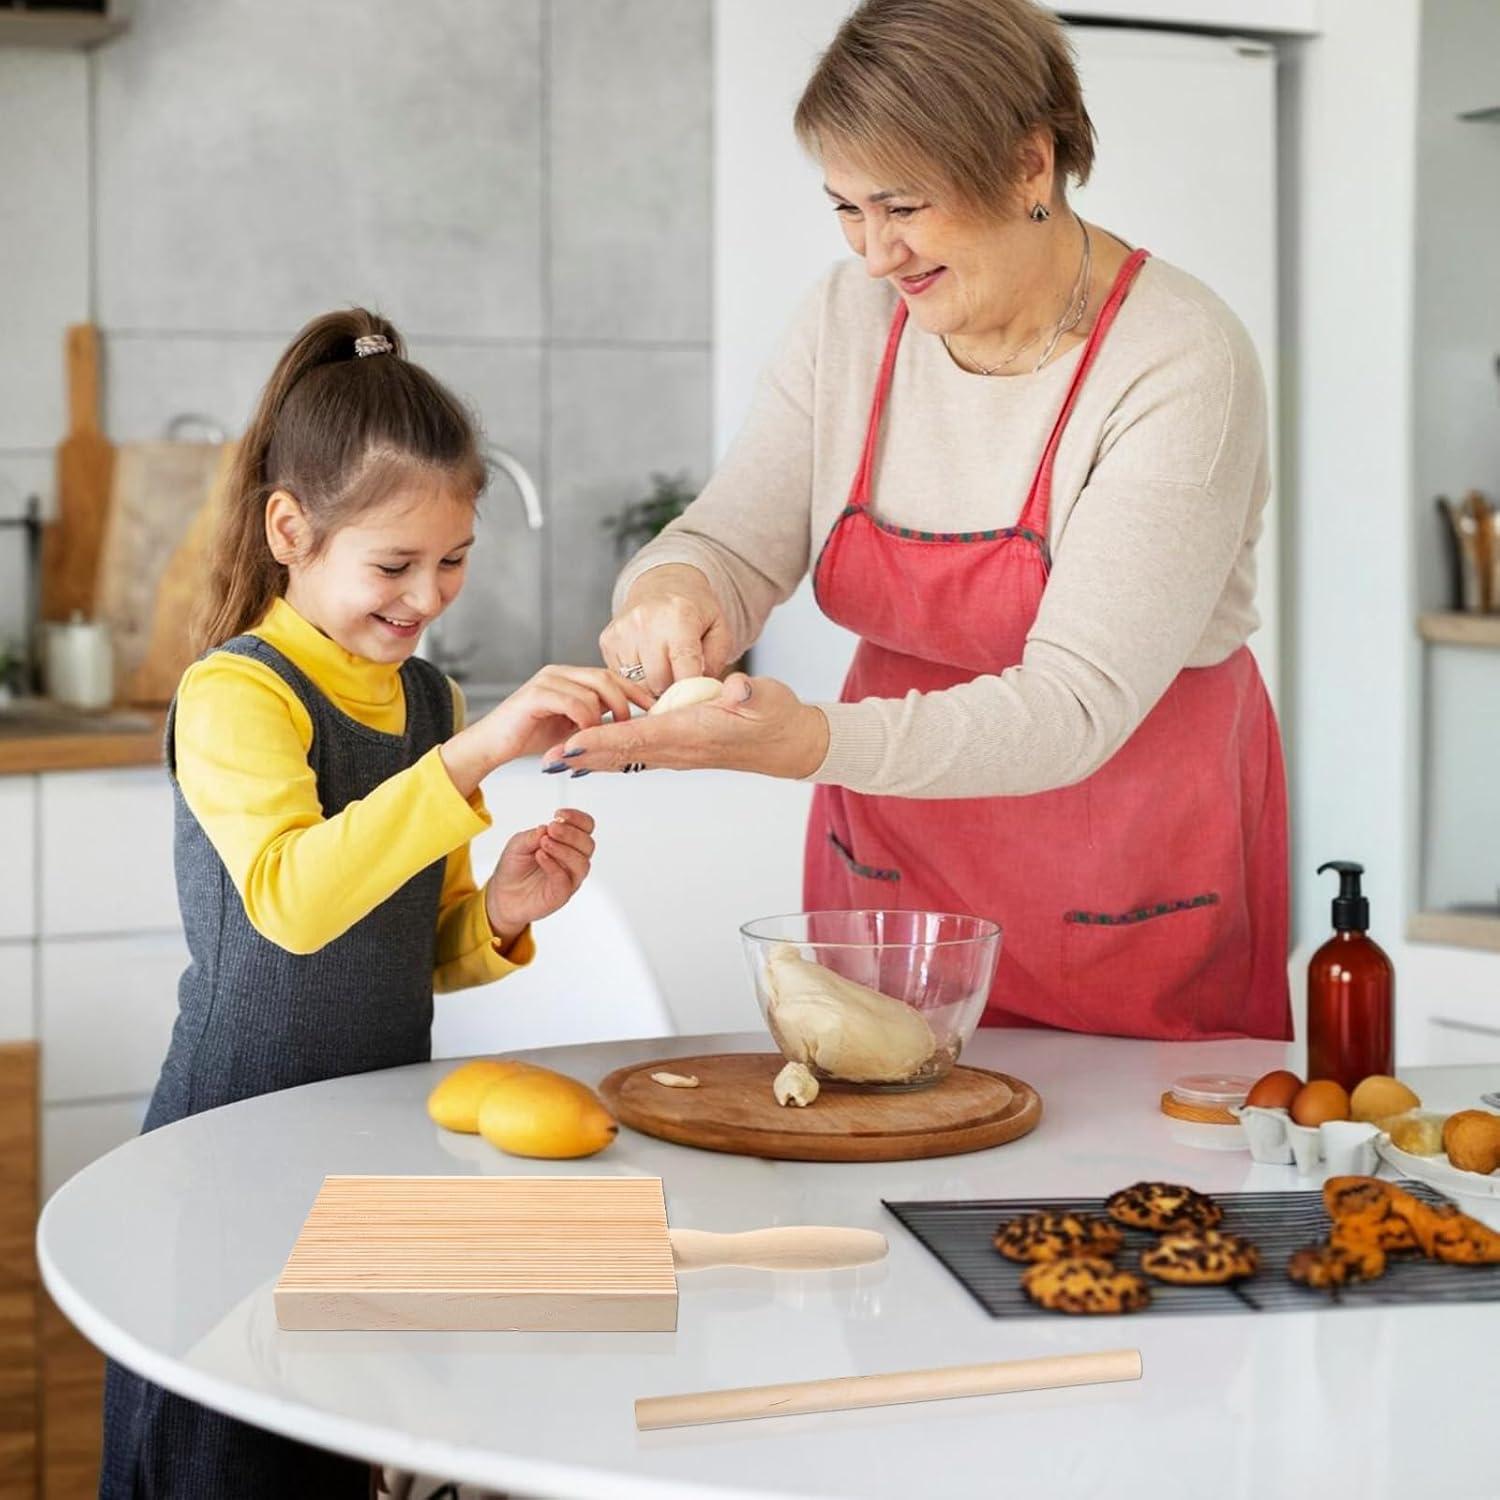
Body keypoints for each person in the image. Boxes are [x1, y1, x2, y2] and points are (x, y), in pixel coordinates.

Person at [554, 0, 1291, 1042]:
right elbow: (730, 537)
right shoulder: (848, 319)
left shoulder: (1179, 361)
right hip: (893, 864)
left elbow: (1076, 706)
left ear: (1029, 167)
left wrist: (807, 739)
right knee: (882, 1162)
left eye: (901, 206)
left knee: (1127, 1194)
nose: (874, 255)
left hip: (1121, 872)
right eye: (845, 210)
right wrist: (674, 592)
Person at [100, 309, 651, 1498]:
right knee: (219, 1461)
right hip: (229, 1141)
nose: (427, 596)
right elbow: (294, 907)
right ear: (292, 531)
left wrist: (507, 907)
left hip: (368, 1151)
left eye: (452, 560)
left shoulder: (427, 700)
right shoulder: (237, 693)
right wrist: (478, 760)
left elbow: (423, 946)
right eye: (393, 566)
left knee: (333, 1453)